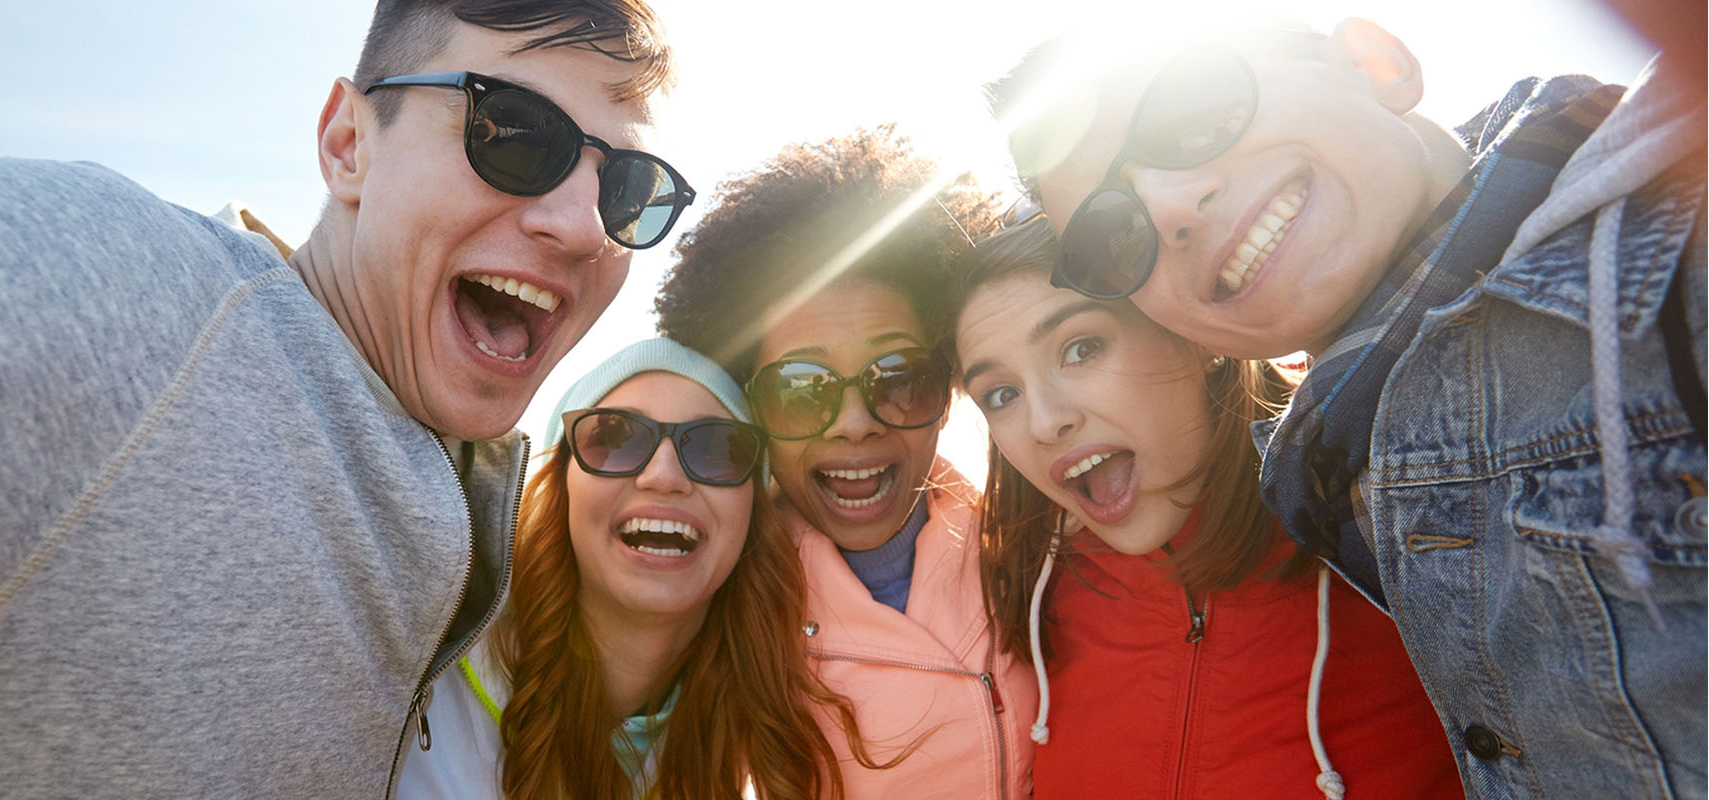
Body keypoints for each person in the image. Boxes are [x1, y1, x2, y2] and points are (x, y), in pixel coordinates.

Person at [0, 1, 692, 795]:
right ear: (348, 143)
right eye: (517, 134)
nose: (587, 228)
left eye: (630, 191)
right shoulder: (118, 285)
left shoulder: (456, 491)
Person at [989, 17, 1705, 797]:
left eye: (1193, 113)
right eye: (1111, 235)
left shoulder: (1675, 240)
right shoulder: (1338, 472)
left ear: (1376, 63)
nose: (1167, 208)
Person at [949, 220, 1462, 799]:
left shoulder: (1412, 539)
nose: (1044, 423)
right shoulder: (1030, 588)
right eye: (1002, 394)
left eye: (1081, 348)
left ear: (1193, 334)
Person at [654, 127, 1038, 798]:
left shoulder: (1035, 549)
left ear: (949, 389)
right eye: (802, 390)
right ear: (753, 409)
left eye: (899, 377)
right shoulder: (721, 604)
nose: (856, 423)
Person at [398, 338, 875, 799]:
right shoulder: (420, 660)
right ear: (562, 486)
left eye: (716, 448)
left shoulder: (755, 745)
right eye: (614, 438)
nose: (664, 476)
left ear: (753, 515)